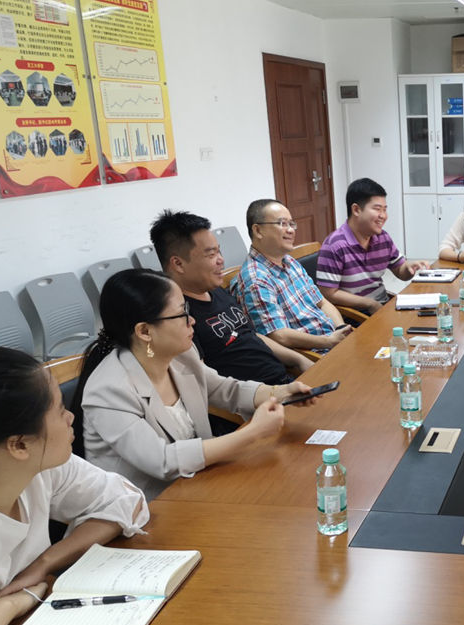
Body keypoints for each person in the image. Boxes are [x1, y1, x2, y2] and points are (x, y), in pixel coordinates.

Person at [0, 347, 148, 625]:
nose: (70, 417)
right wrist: (9, 605)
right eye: (60, 409)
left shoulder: (40, 469)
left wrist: (45, 562)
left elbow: (128, 500)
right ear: (19, 444)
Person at [73, 269, 315, 501]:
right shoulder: (108, 389)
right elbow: (163, 461)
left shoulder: (181, 354)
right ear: (145, 331)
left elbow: (224, 389)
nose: (192, 320)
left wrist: (280, 393)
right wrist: (252, 433)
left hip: (200, 484)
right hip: (148, 508)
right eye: (181, 314)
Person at [150, 209, 311, 385]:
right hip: (253, 397)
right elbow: (204, 382)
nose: (221, 260)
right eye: (211, 255)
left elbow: (251, 335)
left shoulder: (216, 290)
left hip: (284, 381)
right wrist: (270, 394)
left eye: (219, 252)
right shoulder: (177, 316)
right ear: (178, 264)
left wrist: (299, 360)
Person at [232, 199, 353, 351]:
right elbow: (279, 336)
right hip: (314, 353)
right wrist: (328, 341)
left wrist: (341, 329)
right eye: (282, 223)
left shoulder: (289, 261)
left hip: (333, 341)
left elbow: (321, 302)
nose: (291, 230)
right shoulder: (256, 279)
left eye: (291, 224)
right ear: (258, 231)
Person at [315, 178, 430, 314]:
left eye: (385, 210)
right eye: (377, 209)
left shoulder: (383, 238)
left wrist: (410, 268)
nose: (383, 216)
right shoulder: (334, 246)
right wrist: (369, 304)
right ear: (356, 210)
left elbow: (400, 271)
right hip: (355, 316)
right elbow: (328, 294)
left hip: (381, 307)